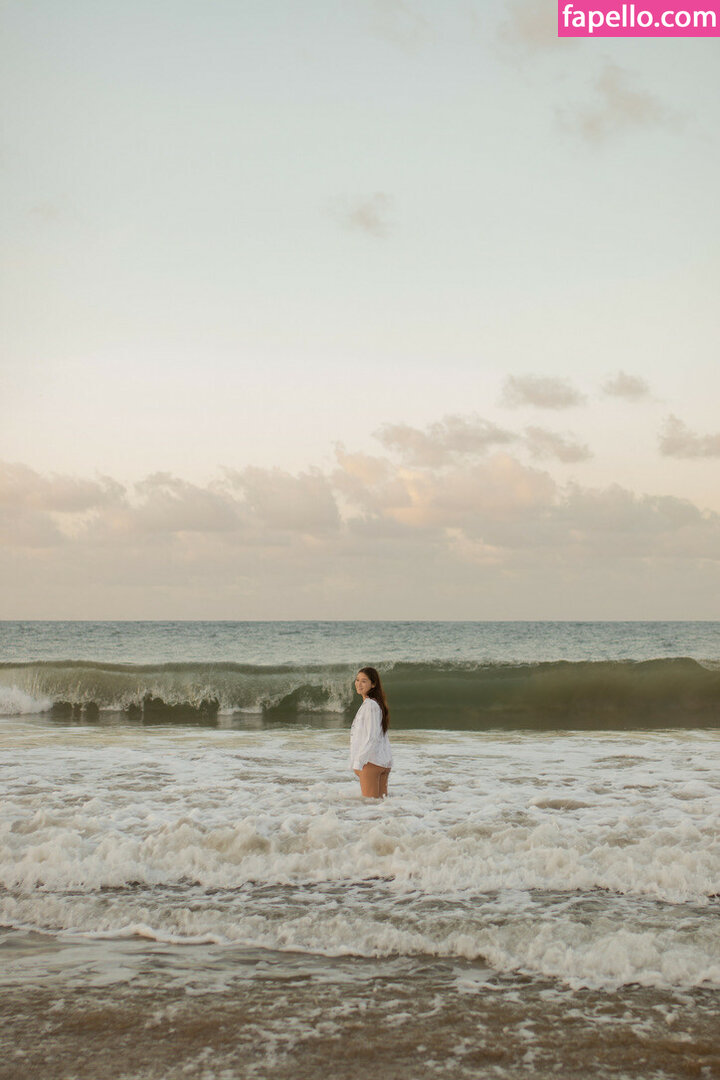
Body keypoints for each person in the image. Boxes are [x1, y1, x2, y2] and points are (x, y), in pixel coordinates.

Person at [349, 666, 392, 798]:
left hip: (370, 762)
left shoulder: (370, 705)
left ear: (373, 684)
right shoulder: (377, 704)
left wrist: (359, 761)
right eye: (357, 680)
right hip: (381, 761)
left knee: (369, 806)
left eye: (364, 681)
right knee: (380, 806)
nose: (359, 684)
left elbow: (371, 737)